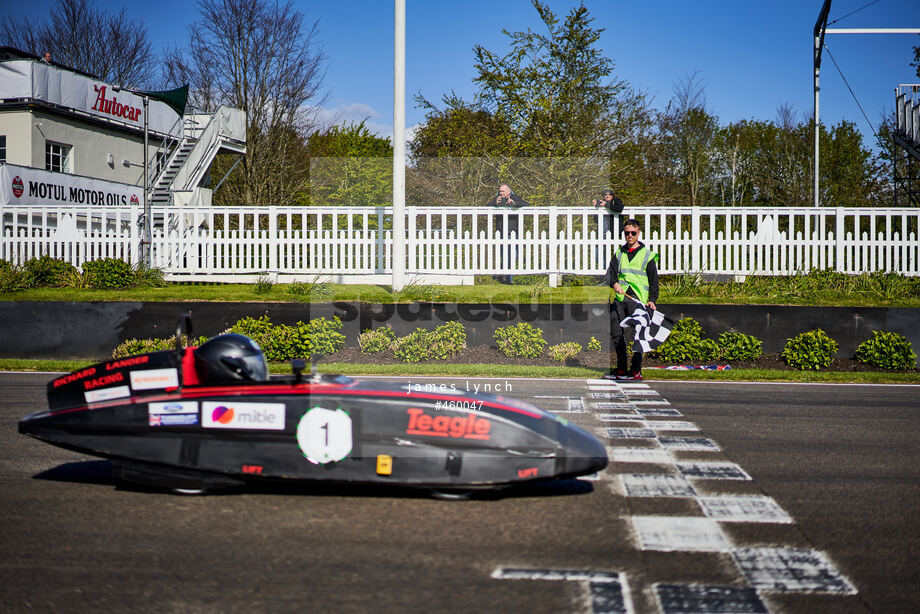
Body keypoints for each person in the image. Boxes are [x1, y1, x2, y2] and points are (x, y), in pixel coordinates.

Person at [603, 218, 659, 381]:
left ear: (638, 233)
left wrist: (652, 300)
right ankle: (621, 369)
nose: (629, 236)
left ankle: (635, 370)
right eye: (627, 233)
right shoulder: (619, 253)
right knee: (616, 333)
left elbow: (654, 281)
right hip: (620, 297)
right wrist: (614, 284)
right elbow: (609, 275)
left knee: (638, 335)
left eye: (633, 233)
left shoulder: (647, 255)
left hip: (638, 301)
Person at [487, 183, 528, 284]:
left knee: (514, 255)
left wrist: (514, 204)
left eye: (503, 191)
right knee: (504, 255)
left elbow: (526, 204)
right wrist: (495, 203)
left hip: (513, 232)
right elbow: (486, 207)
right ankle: (507, 278)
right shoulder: (497, 200)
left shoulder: (515, 198)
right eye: (500, 191)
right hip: (501, 233)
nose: (501, 193)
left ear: (509, 192)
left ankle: (501, 275)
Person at [592, 188, 624, 265]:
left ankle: (612, 269)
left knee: (615, 253)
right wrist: (597, 207)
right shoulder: (601, 204)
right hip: (602, 234)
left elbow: (619, 208)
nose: (607, 196)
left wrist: (606, 205)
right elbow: (595, 220)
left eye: (609, 194)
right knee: (597, 255)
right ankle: (606, 268)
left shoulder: (616, 201)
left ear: (612, 195)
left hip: (614, 232)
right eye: (605, 194)